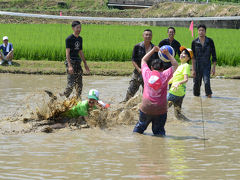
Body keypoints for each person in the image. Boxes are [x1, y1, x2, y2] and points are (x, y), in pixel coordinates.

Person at [133, 46, 178, 136]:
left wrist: (153, 50)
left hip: (146, 107)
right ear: (162, 69)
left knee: (139, 129)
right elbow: (175, 65)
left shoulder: (147, 74)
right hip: (160, 109)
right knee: (159, 132)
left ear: (152, 68)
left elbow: (143, 60)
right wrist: (168, 54)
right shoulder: (165, 75)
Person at [122, 29, 158, 102]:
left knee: (147, 95)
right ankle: (124, 106)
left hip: (148, 75)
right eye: (146, 35)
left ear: (152, 37)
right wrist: (138, 69)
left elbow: (157, 62)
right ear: (143, 36)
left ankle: (143, 110)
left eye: (150, 35)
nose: (148, 36)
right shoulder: (137, 46)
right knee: (130, 92)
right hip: (138, 72)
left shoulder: (154, 48)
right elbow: (133, 60)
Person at [61, 21, 90, 99]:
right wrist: (69, 66)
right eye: (77, 28)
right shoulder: (69, 39)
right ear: (73, 28)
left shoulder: (80, 39)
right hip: (71, 62)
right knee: (71, 84)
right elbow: (67, 53)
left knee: (79, 83)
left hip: (78, 62)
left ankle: (78, 99)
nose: (79, 29)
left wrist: (85, 64)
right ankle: (62, 98)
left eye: (80, 28)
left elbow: (80, 52)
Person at [191, 24, 217, 98]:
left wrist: (213, 68)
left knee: (207, 82)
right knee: (196, 84)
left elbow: (214, 55)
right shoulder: (194, 42)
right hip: (197, 66)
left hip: (206, 65)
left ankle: (209, 97)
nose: (201, 32)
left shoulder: (210, 41)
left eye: (203, 30)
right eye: (199, 30)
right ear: (198, 31)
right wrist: (193, 69)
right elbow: (193, 57)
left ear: (205, 32)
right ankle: (196, 100)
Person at [168, 46, 193, 120]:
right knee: (178, 115)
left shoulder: (186, 66)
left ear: (188, 58)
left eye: (184, 54)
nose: (182, 54)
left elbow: (186, 79)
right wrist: (164, 82)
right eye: (181, 53)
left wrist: (178, 83)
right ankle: (188, 123)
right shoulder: (180, 66)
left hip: (175, 91)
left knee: (162, 107)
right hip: (180, 93)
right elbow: (173, 79)